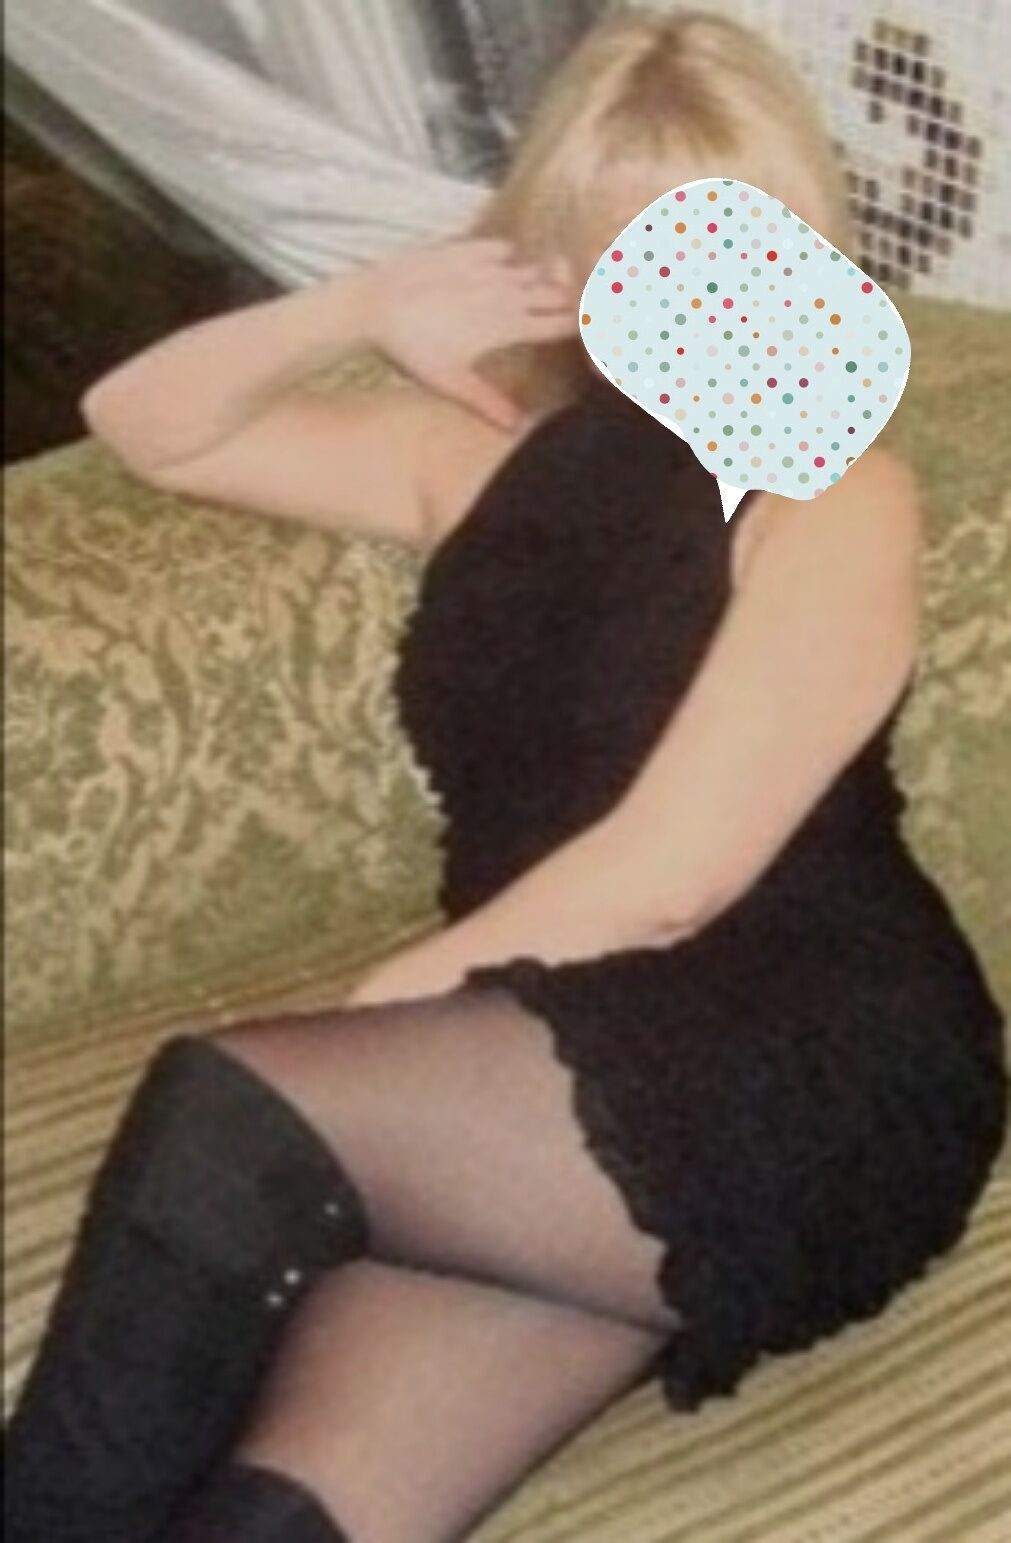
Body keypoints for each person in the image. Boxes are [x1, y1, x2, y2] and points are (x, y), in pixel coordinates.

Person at [5, 10, 1007, 1543]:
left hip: (808, 1047)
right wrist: (364, 303)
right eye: (623, 250)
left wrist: (379, 1020)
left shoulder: (834, 490)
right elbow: (148, 424)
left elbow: (677, 868)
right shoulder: (469, 460)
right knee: (278, 1513)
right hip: (549, 1074)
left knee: (235, 1105)